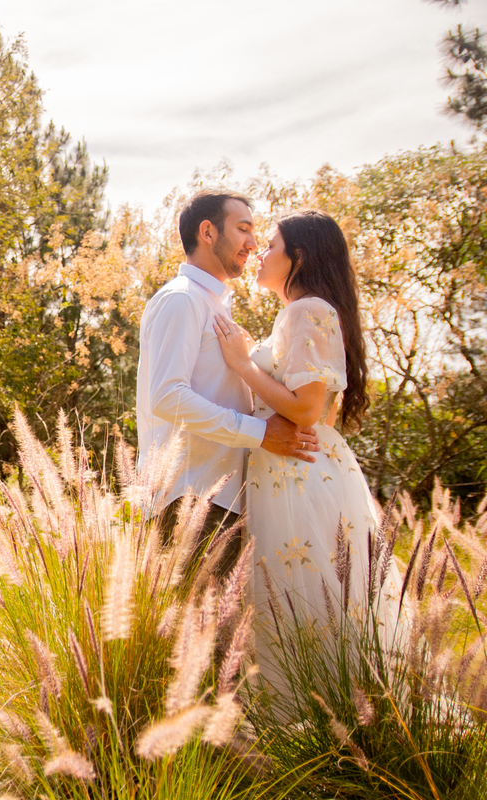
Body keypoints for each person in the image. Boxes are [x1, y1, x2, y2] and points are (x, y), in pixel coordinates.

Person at [212, 209, 406, 694]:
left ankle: (321, 712)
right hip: (299, 470)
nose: (259, 252)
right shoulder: (306, 313)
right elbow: (325, 416)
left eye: (271, 245)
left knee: (303, 599)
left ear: (298, 256)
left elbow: (307, 409)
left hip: (295, 475)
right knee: (316, 603)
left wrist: (243, 365)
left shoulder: (307, 310)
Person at [136, 189, 318, 568]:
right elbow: (167, 397)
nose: (252, 242)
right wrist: (260, 432)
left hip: (222, 500)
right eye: (243, 229)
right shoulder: (182, 299)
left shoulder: (215, 304)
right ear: (208, 232)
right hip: (189, 498)